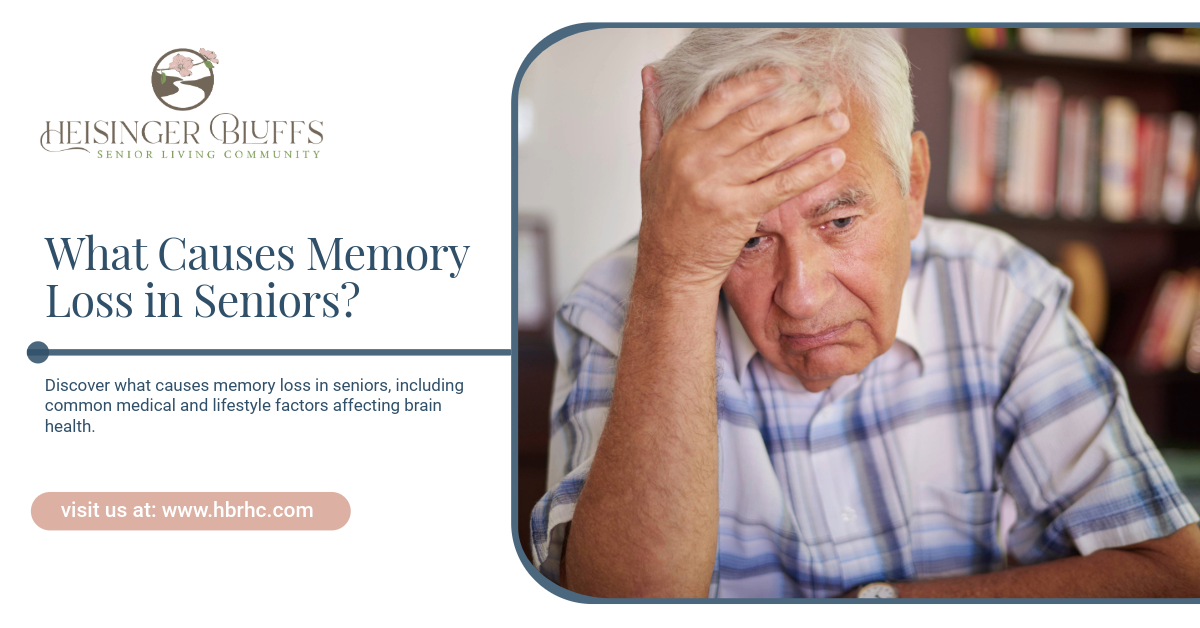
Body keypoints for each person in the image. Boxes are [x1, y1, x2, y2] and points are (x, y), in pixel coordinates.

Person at [529, 28, 1200, 598]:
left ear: (913, 184)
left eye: (841, 220)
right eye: (749, 239)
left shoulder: (1000, 290)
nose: (801, 295)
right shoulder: (626, 300)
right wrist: (675, 277)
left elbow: (1172, 575)